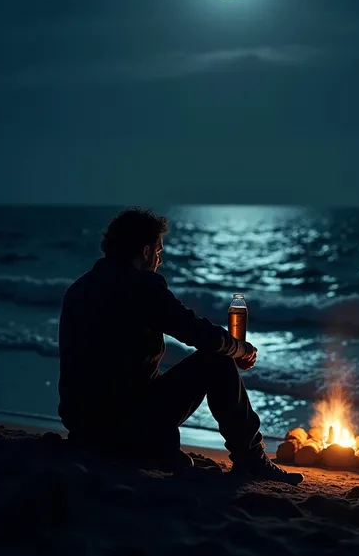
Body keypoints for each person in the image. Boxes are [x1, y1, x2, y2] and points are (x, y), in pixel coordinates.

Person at [58, 207, 302, 484]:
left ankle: (156, 448)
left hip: (83, 427)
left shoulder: (79, 288)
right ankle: (251, 458)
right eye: (159, 252)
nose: (159, 260)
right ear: (147, 251)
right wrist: (241, 349)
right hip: (125, 426)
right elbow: (198, 332)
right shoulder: (140, 287)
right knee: (217, 360)